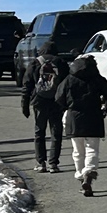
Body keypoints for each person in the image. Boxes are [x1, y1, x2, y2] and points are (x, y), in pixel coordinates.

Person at [55, 53, 107, 196]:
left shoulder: (69, 79)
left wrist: (68, 106)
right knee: (92, 149)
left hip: (74, 117)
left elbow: (59, 97)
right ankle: (89, 173)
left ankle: (80, 174)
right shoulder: (97, 79)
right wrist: (106, 107)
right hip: (93, 116)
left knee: (78, 151)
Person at [21, 42, 68, 173]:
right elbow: (67, 84)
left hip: (39, 101)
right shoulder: (61, 63)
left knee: (39, 132)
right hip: (56, 101)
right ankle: (53, 164)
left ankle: (41, 163)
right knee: (56, 133)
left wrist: (25, 104)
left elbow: (27, 85)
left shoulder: (35, 63)